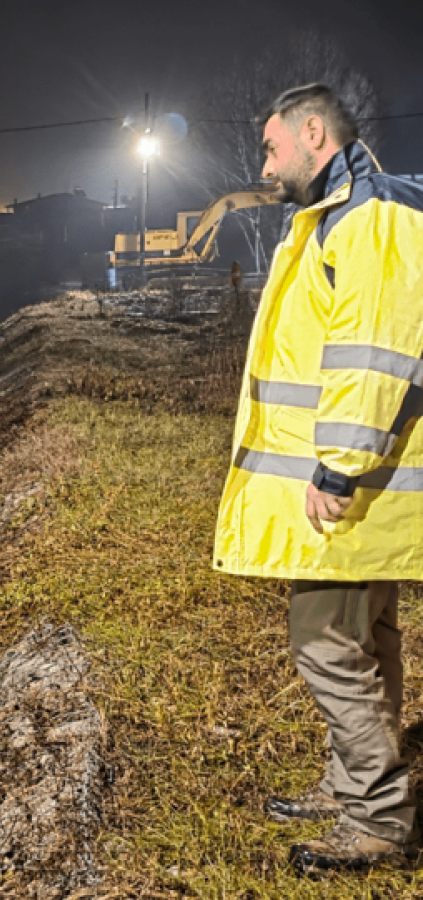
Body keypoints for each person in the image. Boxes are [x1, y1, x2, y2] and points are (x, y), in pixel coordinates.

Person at [214, 82, 423, 874]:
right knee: (367, 637)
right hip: (372, 481)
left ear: (312, 134)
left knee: (326, 643)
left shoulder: (365, 218)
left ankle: (377, 819)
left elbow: (371, 353)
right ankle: (351, 786)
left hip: (351, 482)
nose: (264, 164)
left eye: (270, 148)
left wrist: (337, 468)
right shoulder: (351, 210)